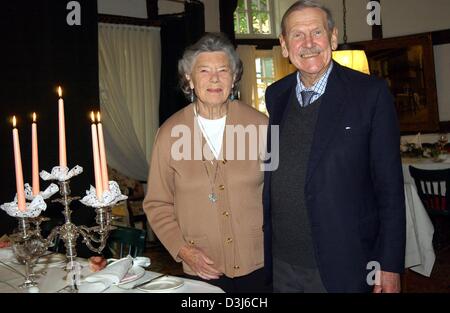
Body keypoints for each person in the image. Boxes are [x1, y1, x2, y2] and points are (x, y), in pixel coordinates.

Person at [263, 0, 406, 293]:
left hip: (345, 263)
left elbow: (390, 188)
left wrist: (389, 264)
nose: (308, 43)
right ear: (284, 45)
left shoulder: (370, 95)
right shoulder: (276, 94)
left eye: (316, 32)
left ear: (333, 37)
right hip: (281, 263)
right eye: (297, 35)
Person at [143, 33, 269, 293]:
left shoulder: (263, 126)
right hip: (201, 270)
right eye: (204, 70)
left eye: (223, 70)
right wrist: (183, 249)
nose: (214, 78)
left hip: (261, 267)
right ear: (189, 78)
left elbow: (281, 196)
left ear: (234, 78)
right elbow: (157, 203)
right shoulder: (168, 133)